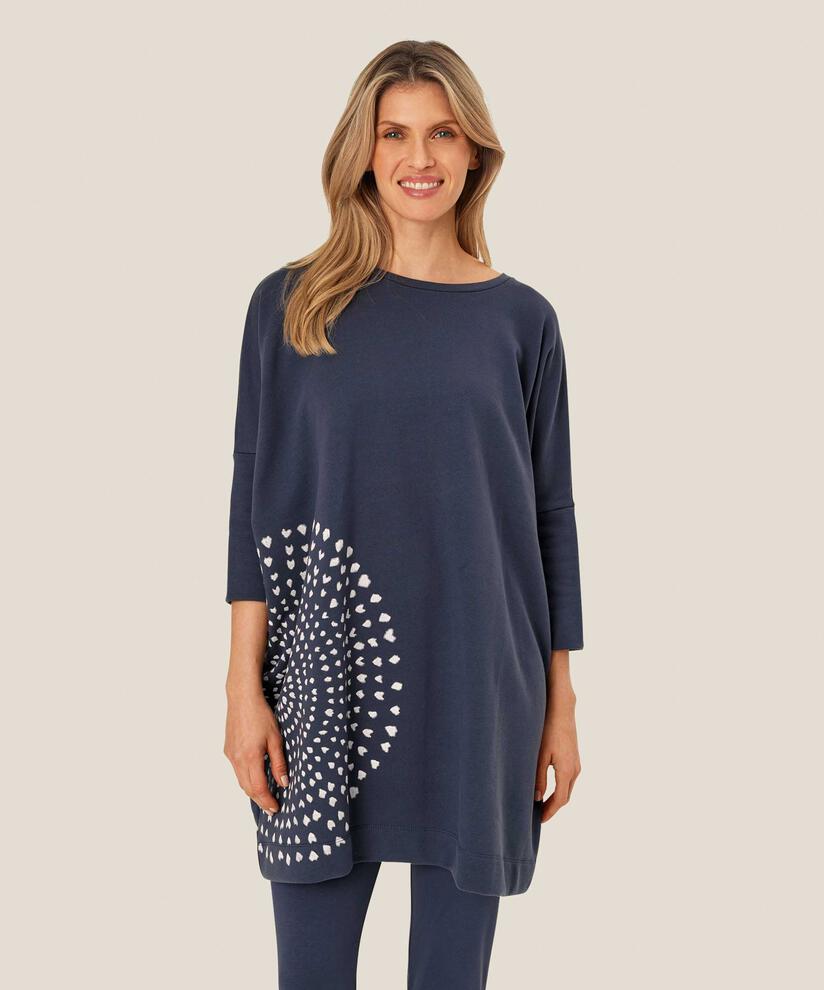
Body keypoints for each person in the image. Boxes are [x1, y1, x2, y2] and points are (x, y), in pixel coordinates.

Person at [223, 39, 584, 990]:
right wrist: (241, 690)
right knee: (310, 973)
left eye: (443, 133)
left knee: (450, 977)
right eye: (395, 134)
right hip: (321, 676)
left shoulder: (523, 320)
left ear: (475, 152)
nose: (419, 157)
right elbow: (252, 504)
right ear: (364, 149)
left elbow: (550, 515)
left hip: (480, 680)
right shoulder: (290, 306)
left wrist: (562, 704)